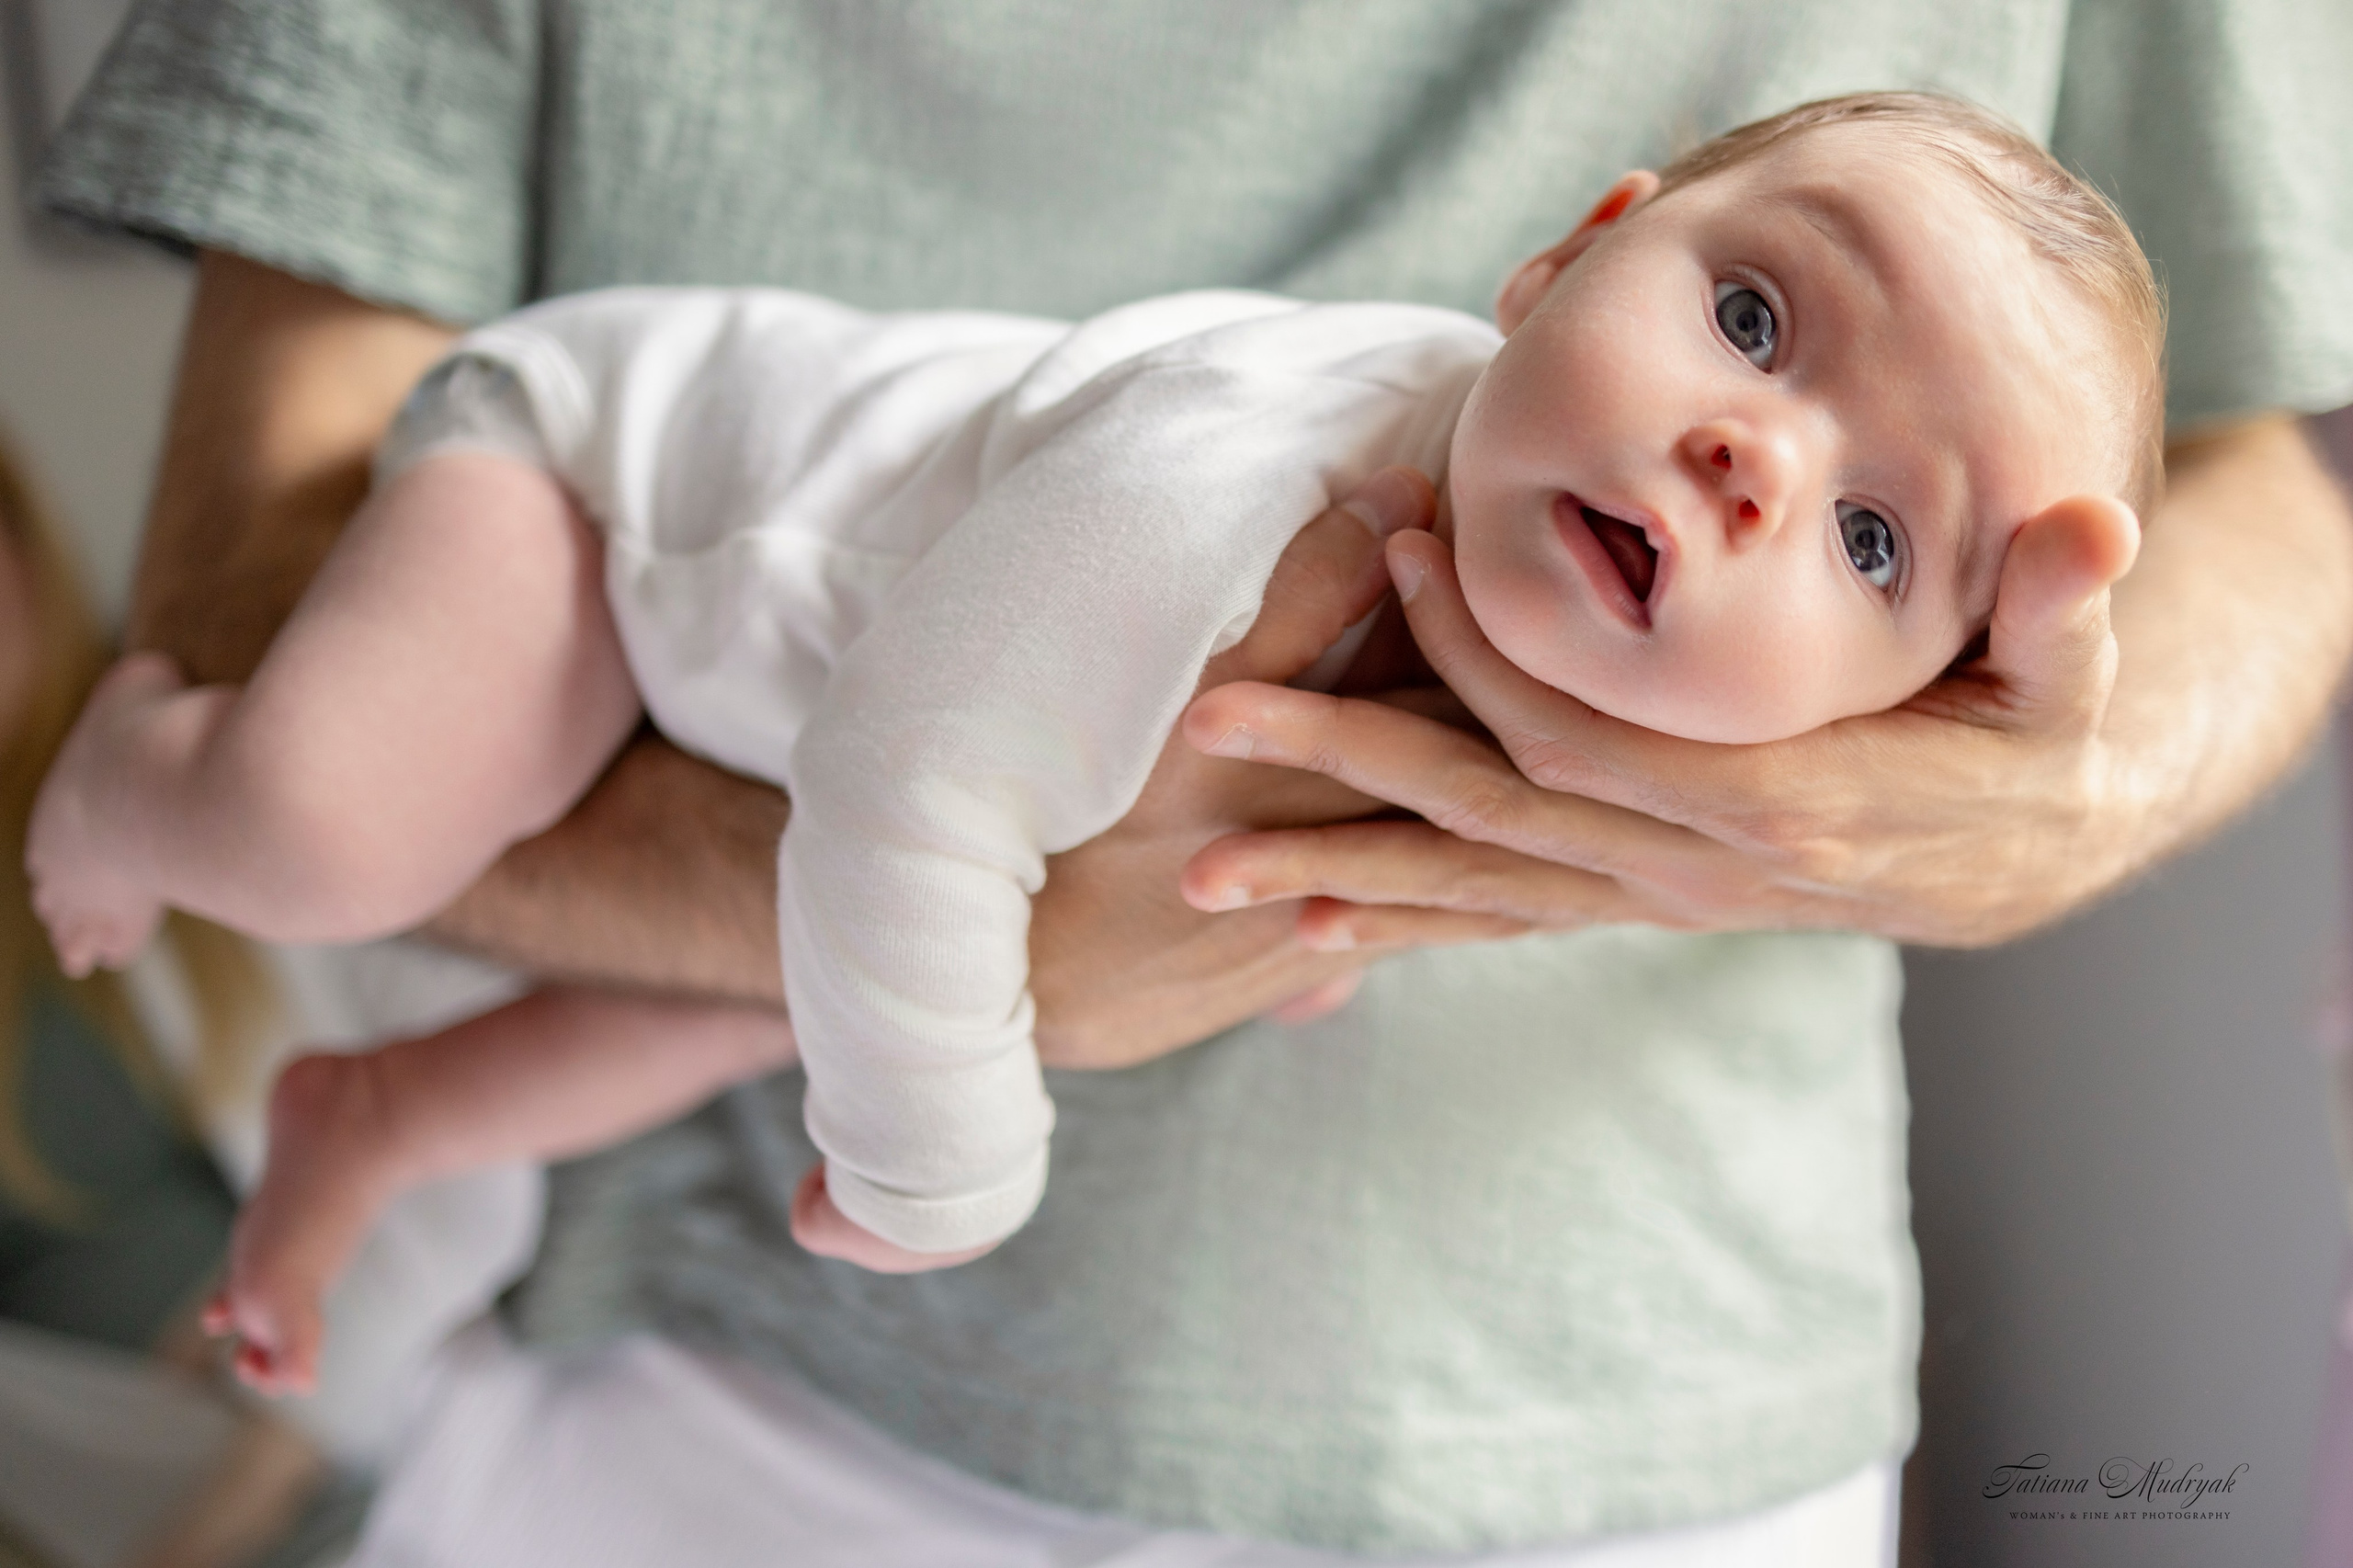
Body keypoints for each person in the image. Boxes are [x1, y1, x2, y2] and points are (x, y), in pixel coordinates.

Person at [34, 2, 2353, 1559]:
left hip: (1656, 1410)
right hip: (599, 512)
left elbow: (2260, 496)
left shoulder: (1560, 623)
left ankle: (402, 1113)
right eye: (1752, 317)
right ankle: (135, 790)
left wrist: (2033, 805)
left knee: (840, 972)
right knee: (346, 821)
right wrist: (946, 1143)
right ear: (1571, 251)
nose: (1760, 459)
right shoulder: (1226, 491)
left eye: (1871, 542)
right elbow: (911, 793)